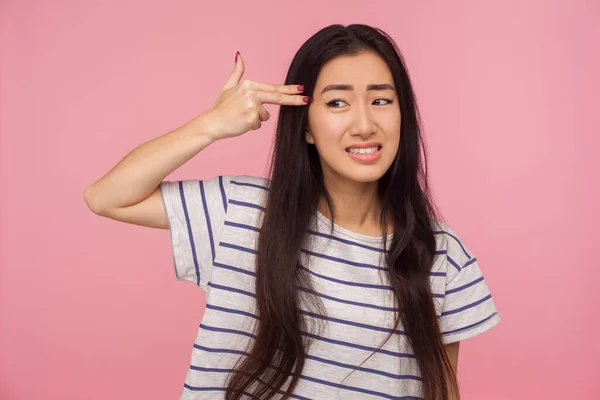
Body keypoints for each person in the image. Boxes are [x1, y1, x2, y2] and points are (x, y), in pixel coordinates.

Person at [84, 24, 500, 400]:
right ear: (305, 127)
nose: (365, 124)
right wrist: (209, 125)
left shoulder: (442, 254)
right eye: (338, 103)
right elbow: (107, 197)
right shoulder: (243, 214)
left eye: (381, 100)